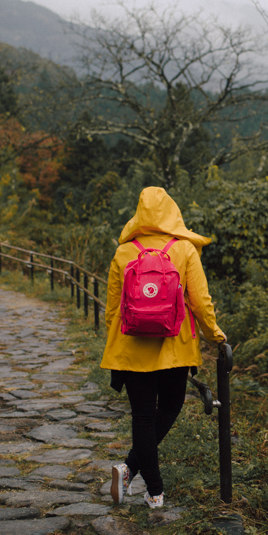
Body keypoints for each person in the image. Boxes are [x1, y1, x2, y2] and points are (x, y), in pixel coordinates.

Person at [101, 187, 226, 509]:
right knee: (169, 408)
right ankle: (133, 472)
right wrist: (215, 335)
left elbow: (112, 309)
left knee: (142, 418)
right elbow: (200, 301)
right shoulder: (184, 249)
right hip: (176, 347)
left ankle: (153, 490)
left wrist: (116, 343)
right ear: (173, 211)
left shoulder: (124, 253)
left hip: (131, 347)